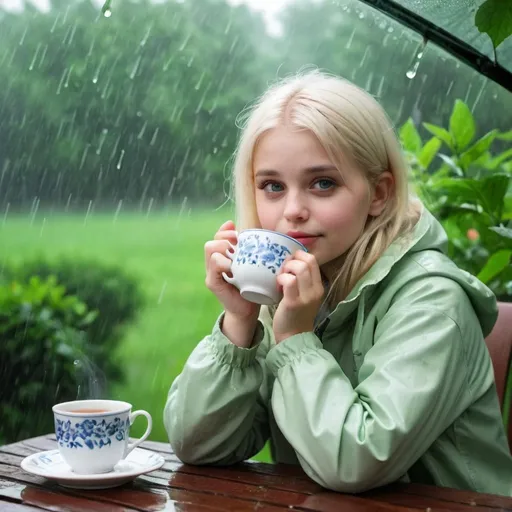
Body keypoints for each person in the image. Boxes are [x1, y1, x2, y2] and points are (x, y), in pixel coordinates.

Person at [163, 70, 512, 496]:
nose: (292, 210)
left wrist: (294, 339)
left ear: (379, 194)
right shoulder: (289, 293)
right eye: (272, 186)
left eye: (322, 183)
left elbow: (356, 462)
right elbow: (199, 445)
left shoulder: (433, 300)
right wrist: (239, 326)